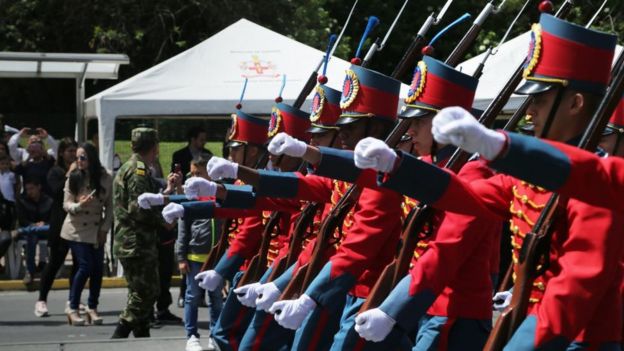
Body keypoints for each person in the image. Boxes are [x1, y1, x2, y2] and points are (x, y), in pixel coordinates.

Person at [354, 14, 622, 349]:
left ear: (575, 103)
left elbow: (575, 288)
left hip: (577, 340)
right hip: (530, 325)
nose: (529, 113)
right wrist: (397, 165)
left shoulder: (597, 189)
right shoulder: (523, 179)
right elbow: (467, 197)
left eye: (539, 100)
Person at [111, 127, 169, 338]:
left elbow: (148, 197)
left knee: (138, 292)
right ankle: (119, 334)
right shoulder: (139, 169)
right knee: (147, 292)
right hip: (137, 241)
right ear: (154, 147)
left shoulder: (130, 166)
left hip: (131, 240)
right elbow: (138, 206)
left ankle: (142, 337)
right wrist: (163, 221)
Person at [61, 143, 113, 326]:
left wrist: (104, 230)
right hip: (75, 229)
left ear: (91, 158)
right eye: (77, 158)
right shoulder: (74, 177)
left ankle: (92, 307)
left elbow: (110, 207)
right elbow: (66, 204)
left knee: (98, 269)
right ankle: (73, 307)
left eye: (83, 157)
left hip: (96, 229)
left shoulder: (106, 177)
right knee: (85, 266)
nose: (79, 161)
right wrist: (79, 205)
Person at [177, 157, 223, 351]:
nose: (194, 178)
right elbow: (182, 228)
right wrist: (181, 256)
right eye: (192, 174)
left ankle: (214, 334)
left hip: (216, 259)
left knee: (216, 299)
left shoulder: (218, 193)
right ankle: (192, 336)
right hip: (195, 257)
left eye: (199, 174)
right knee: (192, 297)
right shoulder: (191, 197)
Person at [35, 138, 78, 317]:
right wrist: (69, 173)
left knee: (78, 264)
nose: (73, 154)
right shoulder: (55, 171)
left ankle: (72, 300)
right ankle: (41, 300)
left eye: (75, 150)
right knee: (55, 263)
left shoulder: (80, 172)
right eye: (69, 150)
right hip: (60, 222)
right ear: (61, 153)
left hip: (77, 223)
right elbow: (56, 191)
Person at [15, 177, 53, 284]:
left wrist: (44, 224)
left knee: (34, 231)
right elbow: (22, 220)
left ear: (39, 187)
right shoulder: (23, 201)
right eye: (27, 189)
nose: (29, 192)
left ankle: (29, 271)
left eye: (32, 189)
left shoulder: (49, 201)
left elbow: (53, 221)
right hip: (31, 232)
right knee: (32, 235)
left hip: (46, 231)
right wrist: (34, 225)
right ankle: (30, 272)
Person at [0, 154, 18, 269]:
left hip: (10, 204)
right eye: (2, 163)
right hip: (0, 204)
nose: (5, 166)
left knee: (8, 231)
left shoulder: (12, 175)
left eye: (7, 163)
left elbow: (17, 186)